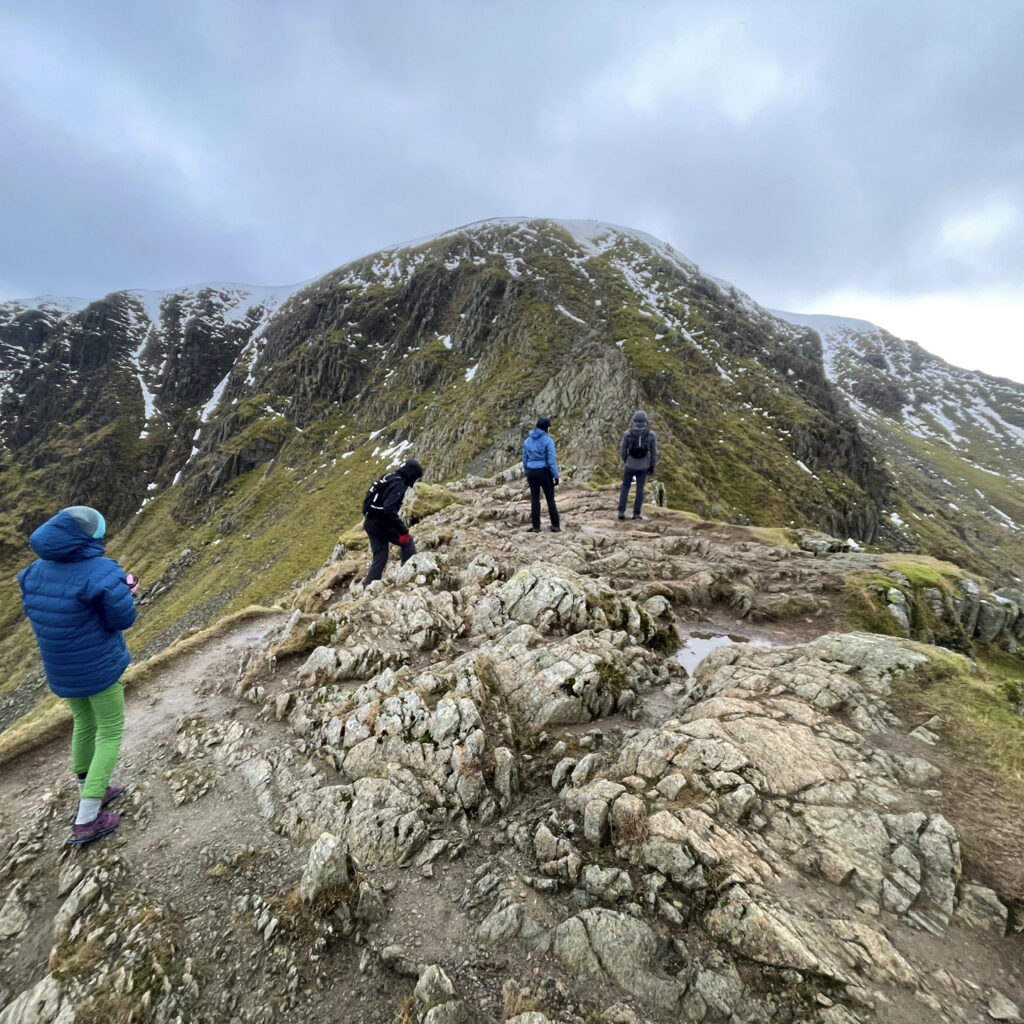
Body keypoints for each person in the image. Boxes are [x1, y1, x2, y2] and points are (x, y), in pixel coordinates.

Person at [17, 506, 138, 846]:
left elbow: (45, 609)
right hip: (99, 666)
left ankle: (92, 791)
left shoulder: (34, 572)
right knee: (110, 733)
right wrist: (125, 591)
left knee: (85, 724)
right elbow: (122, 619)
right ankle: (87, 819)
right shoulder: (101, 570)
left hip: (62, 668)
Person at [362, 459, 424, 584]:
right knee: (407, 542)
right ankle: (408, 576)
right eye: (416, 477)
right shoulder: (399, 485)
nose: (415, 481)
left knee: (380, 555)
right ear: (411, 474)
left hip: (370, 523)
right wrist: (403, 530)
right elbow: (389, 509)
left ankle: (368, 586)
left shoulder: (389, 477)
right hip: (380, 524)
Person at [522, 416, 561, 533]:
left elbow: (525, 459)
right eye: (549, 427)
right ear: (546, 428)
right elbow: (551, 460)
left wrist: (527, 472)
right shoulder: (548, 441)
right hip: (544, 472)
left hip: (531, 472)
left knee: (534, 499)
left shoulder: (527, 441)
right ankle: (555, 525)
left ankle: (536, 527)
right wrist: (556, 476)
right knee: (550, 499)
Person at [618, 410, 658, 520]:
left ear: (633, 420)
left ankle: (621, 511)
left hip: (630, 464)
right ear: (645, 421)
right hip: (644, 465)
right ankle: (636, 514)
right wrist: (652, 465)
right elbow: (654, 453)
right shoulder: (651, 434)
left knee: (625, 487)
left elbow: (622, 450)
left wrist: (627, 460)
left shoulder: (628, 433)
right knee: (640, 489)